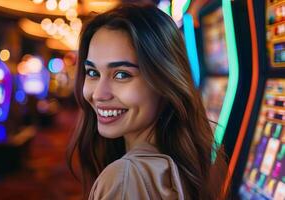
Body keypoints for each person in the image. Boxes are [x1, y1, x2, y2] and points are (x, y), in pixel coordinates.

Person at [67, 3, 228, 200]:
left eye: (121, 75)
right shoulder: (201, 156)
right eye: (93, 73)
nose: (99, 94)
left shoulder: (125, 178)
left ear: (163, 80)